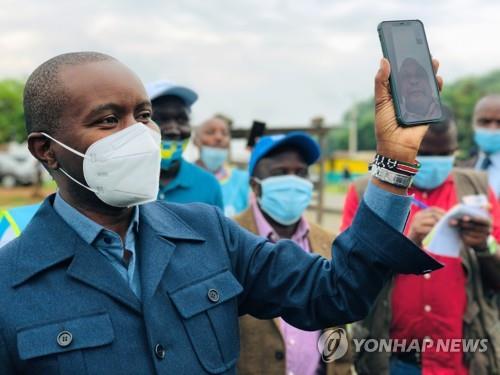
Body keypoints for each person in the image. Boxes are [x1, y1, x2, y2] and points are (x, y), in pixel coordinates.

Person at [0, 52, 442, 374]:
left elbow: (336, 293)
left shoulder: (208, 232)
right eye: (109, 120)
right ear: (47, 150)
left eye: (143, 115)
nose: (141, 135)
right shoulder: (9, 283)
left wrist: (393, 163)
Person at [341, 107, 500, 375]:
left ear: (455, 150)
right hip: (391, 360)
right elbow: (348, 276)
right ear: (407, 148)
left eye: (444, 154)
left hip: (464, 359)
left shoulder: (477, 189)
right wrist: (404, 243)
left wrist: (484, 247)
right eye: (424, 154)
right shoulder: (368, 193)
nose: (434, 162)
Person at [235, 132, 352, 375]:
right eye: (280, 173)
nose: (293, 181)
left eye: (300, 173)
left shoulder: (329, 243)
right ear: (255, 185)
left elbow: (338, 327)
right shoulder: (230, 240)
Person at [146, 80, 224, 208]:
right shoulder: (122, 184)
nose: (173, 129)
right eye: (161, 119)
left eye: (182, 119)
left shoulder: (208, 184)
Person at [194, 114, 249, 216]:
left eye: (224, 133)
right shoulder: (183, 177)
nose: (219, 137)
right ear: (196, 140)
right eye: (210, 132)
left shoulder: (243, 179)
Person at [472, 94, 500, 198]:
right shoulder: (461, 167)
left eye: (499, 122)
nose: (492, 129)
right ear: (473, 124)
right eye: (485, 122)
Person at [398, 58, 441, 122]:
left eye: (420, 74)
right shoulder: (393, 117)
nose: (413, 81)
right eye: (406, 76)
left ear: (430, 86)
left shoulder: (445, 111)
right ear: (400, 90)